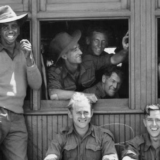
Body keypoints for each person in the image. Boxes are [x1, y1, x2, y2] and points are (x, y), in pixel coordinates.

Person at [0, 5, 42, 160]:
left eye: (13, 26)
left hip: (18, 117)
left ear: (18, 29)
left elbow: (36, 85)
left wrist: (29, 59)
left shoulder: (24, 51)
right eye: (5, 27)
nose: (10, 30)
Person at [47, 30, 128, 101]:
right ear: (64, 56)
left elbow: (113, 59)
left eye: (78, 48)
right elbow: (53, 93)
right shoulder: (55, 71)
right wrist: (84, 96)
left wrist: (125, 49)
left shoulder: (88, 60)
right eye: (75, 50)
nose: (80, 52)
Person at [44, 92, 119, 160]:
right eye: (79, 112)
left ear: (91, 113)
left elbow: (111, 156)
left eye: (86, 112)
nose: (82, 116)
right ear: (70, 114)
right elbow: (51, 155)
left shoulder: (103, 136)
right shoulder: (61, 137)